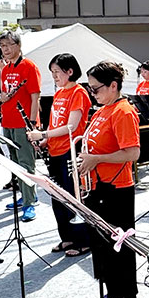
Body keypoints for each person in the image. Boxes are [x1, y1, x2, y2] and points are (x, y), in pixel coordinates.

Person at [80, 61, 144, 298]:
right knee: (102, 246)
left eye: (96, 88)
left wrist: (96, 159)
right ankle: (115, 294)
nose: (92, 93)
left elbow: (133, 153)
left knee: (121, 247)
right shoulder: (102, 110)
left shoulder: (123, 111)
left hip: (116, 189)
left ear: (113, 86)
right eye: (90, 88)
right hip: (97, 186)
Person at [27, 54, 91, 258]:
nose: (54, 76)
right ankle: (67, 237)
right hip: (55, 149)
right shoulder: (60, 92)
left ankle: (83, 241)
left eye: (57, 72)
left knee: (72, 196)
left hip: (69, 150)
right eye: (52, 72)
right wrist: (45, 140)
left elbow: (71, 126)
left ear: (69, 71)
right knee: (57, 197)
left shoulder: (78, 93)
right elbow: (55, 122)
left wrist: (43, 134)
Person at [0, 30, 42, 222]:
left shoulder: (29, 66)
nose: (5, 49)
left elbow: (35, 96)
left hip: (23, 122)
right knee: (13, 162)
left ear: (18, 45)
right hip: (8, 120)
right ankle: (27, 195)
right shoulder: (5, 68)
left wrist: (32, 123)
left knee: (26, 163)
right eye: (2, 46)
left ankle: (29, 203)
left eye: (8, 45)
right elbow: (5, 94)